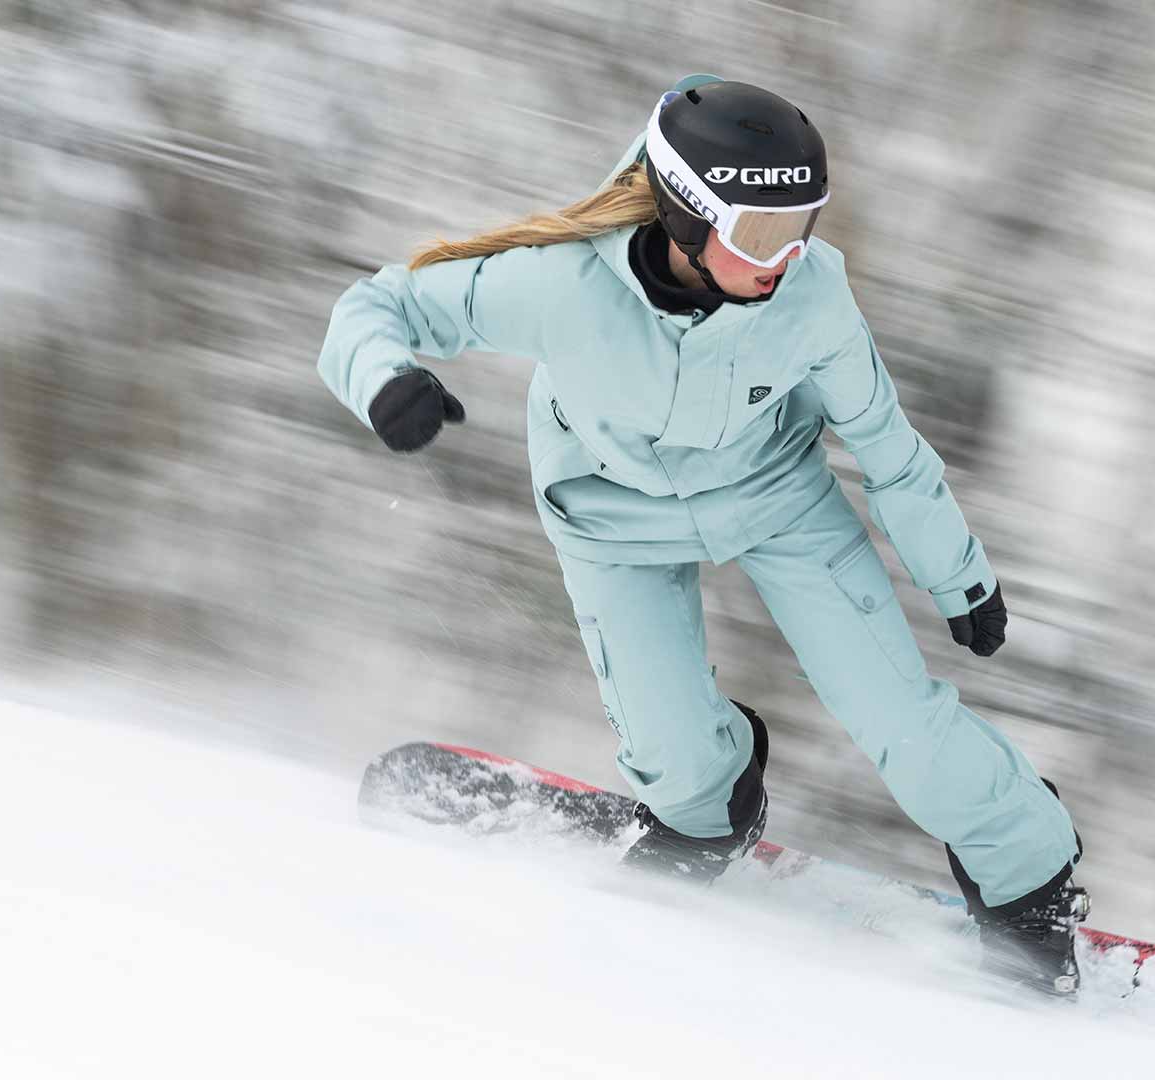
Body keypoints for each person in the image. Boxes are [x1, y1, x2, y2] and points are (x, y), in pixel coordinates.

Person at [317, 74, 1088, 995]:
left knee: (905, 729)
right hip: (610, 514)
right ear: (688, 214)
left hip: (777, 498)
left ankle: (1028, 876)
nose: (788, 256)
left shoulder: (811, 296)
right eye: (762, 233)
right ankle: (717, 800)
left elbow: (884, 440)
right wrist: (383, 381)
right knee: (680, 773)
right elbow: (379, 307)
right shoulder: (561, 286)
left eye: (804, 224)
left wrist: (958, 574)